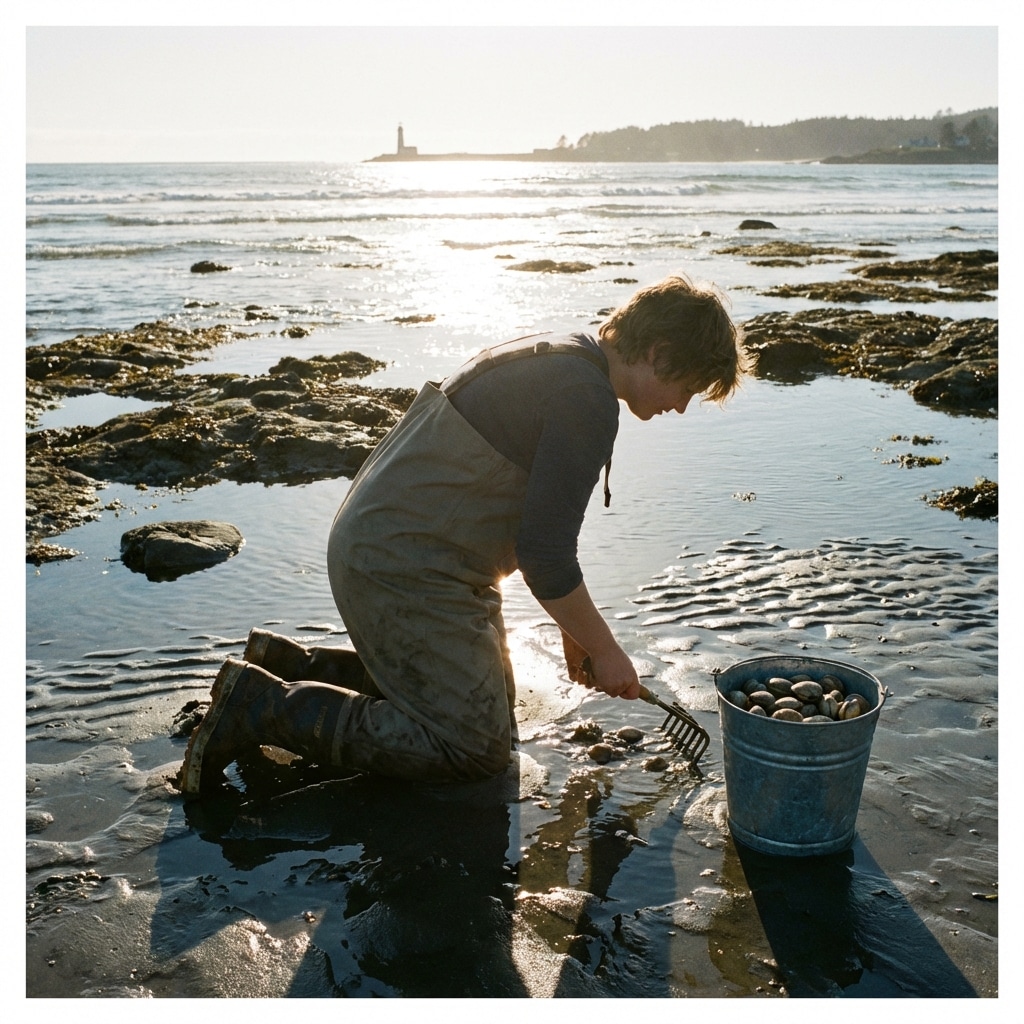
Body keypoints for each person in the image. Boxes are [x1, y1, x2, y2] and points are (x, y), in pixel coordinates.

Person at [178, 273, 747, 794]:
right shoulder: (586, 399)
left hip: (398, 548)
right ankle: (261, 706)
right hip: (404, 566)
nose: (681, 407)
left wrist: (574, 633)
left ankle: (291, 668)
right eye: (690, 389)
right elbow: (545, 554)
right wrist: (607, 649)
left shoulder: (567, 358)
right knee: (475, 748)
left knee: (494, 710)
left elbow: (537, 535)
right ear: (659, 352)